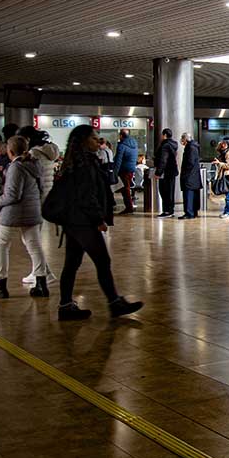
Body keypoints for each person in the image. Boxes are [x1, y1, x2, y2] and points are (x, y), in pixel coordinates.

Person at [51, 125, 142, 321]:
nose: (97, 141)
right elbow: (87, 196)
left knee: (72, 263)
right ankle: (114, 303)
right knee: (102, 261)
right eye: (93, 138)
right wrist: (98, 219)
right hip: (83, 223)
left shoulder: (75, 163)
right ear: (84, 141)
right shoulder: (84, 165)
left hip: (74, 222)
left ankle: (65, 305)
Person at [0, 135, 50, 300]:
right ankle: (41, 285)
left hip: (13, 213)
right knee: (34, 246)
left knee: (1, 246)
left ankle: (0, 286)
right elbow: (41, 188)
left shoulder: (16, 167)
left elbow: (13, 195)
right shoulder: (35, 164)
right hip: (32, 210)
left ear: (10, 151)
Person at [17, 127, 60, 285]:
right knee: (32, 238)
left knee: (30, 238)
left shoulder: (33, 154)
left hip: (35, 199)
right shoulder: (48, 152)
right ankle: (41, 271)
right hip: (46, 197)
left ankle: (42, 272)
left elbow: (31, 178)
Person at [153, 128, 179, 217]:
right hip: (172, 171)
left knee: (164, 191)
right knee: (170, 191)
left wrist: (158, 173)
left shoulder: (165, 146)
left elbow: (163, 160)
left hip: (166, 172)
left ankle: (167, 211)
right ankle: (170, 210)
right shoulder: (173, 145)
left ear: (164, 135)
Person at [112, 129, 139, 214]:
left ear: (121, 136)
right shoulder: (134, 144)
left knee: (125, 190)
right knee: (126, 188)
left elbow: (118, 160)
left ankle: (129, 207)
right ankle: (129, 207)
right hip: (131, 169)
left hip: (124, 170)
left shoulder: (122, 146)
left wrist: (115, 173)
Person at [178, 133, 202, 219]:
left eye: (182, 139)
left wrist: (185, 173)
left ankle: (189, 213)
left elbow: (190, 162)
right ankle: (193, 212)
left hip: (189, 176)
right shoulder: (194, 146)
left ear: (185, 139)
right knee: (193, 195)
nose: (181, 141)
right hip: (194, 176)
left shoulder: (190, 148)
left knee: (188, 195)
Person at [214, 139, 229, 219]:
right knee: (227, 194)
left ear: (228, 144)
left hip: (227, 176)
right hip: (224, 175)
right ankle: (227, 211)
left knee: (228, 195)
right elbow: (217, 149)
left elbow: (228, 166)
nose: (222, 144)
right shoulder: (224, 152)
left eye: (224, 143)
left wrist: (219, 163)